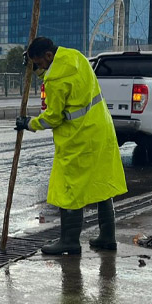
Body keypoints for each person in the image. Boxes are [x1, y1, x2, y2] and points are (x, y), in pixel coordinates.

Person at [15, 36, 127, 255]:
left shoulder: (55, 79)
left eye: (39, 63)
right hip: (101, 129)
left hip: (78, 137)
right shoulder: (76, 56)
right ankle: (107, 236)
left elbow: (53, 118)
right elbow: (68, 84)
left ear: (48, 56)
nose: (40, 67)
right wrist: (37, 68)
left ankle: (69, 241)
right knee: (102, 184)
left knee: (70, 188)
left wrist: (29, 123)